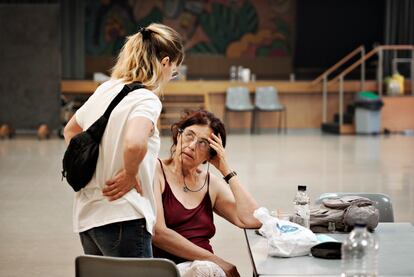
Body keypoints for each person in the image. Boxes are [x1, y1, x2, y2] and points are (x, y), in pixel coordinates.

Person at [63, 23, 184, 258]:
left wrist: (96, 167)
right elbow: (134, 142)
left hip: (88, 218)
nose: (172, 76)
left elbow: (71, 131)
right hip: (125, 217)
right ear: (165, 62)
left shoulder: (105, 89)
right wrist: (129, 174)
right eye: (174, 70)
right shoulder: (147, 99)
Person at [151, 110, 261, 277]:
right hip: (169, 270)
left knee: (204, 270)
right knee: (205, 269)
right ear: (178, 135)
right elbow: (158, 233)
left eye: (203, 143)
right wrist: (217, 261)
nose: (191, 146)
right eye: (189, 135)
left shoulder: (211, 184)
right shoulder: (155, 171)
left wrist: (226, 170)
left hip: (204, 269)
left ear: (211, 154)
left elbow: (253, 219)